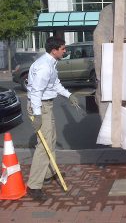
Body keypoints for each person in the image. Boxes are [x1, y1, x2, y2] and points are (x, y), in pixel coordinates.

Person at [26, 36, 79, 201]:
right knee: (44, 146)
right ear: (54, 50)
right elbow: (35, 92)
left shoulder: (50, 64)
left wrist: (69, 95)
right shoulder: (44, 67)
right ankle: (34, 186)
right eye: (63, 48)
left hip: (46, 105)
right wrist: (38, 115)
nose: (65, 51)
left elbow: (55, 85)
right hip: (40, 107)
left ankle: (49, 173)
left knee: (51, 140)